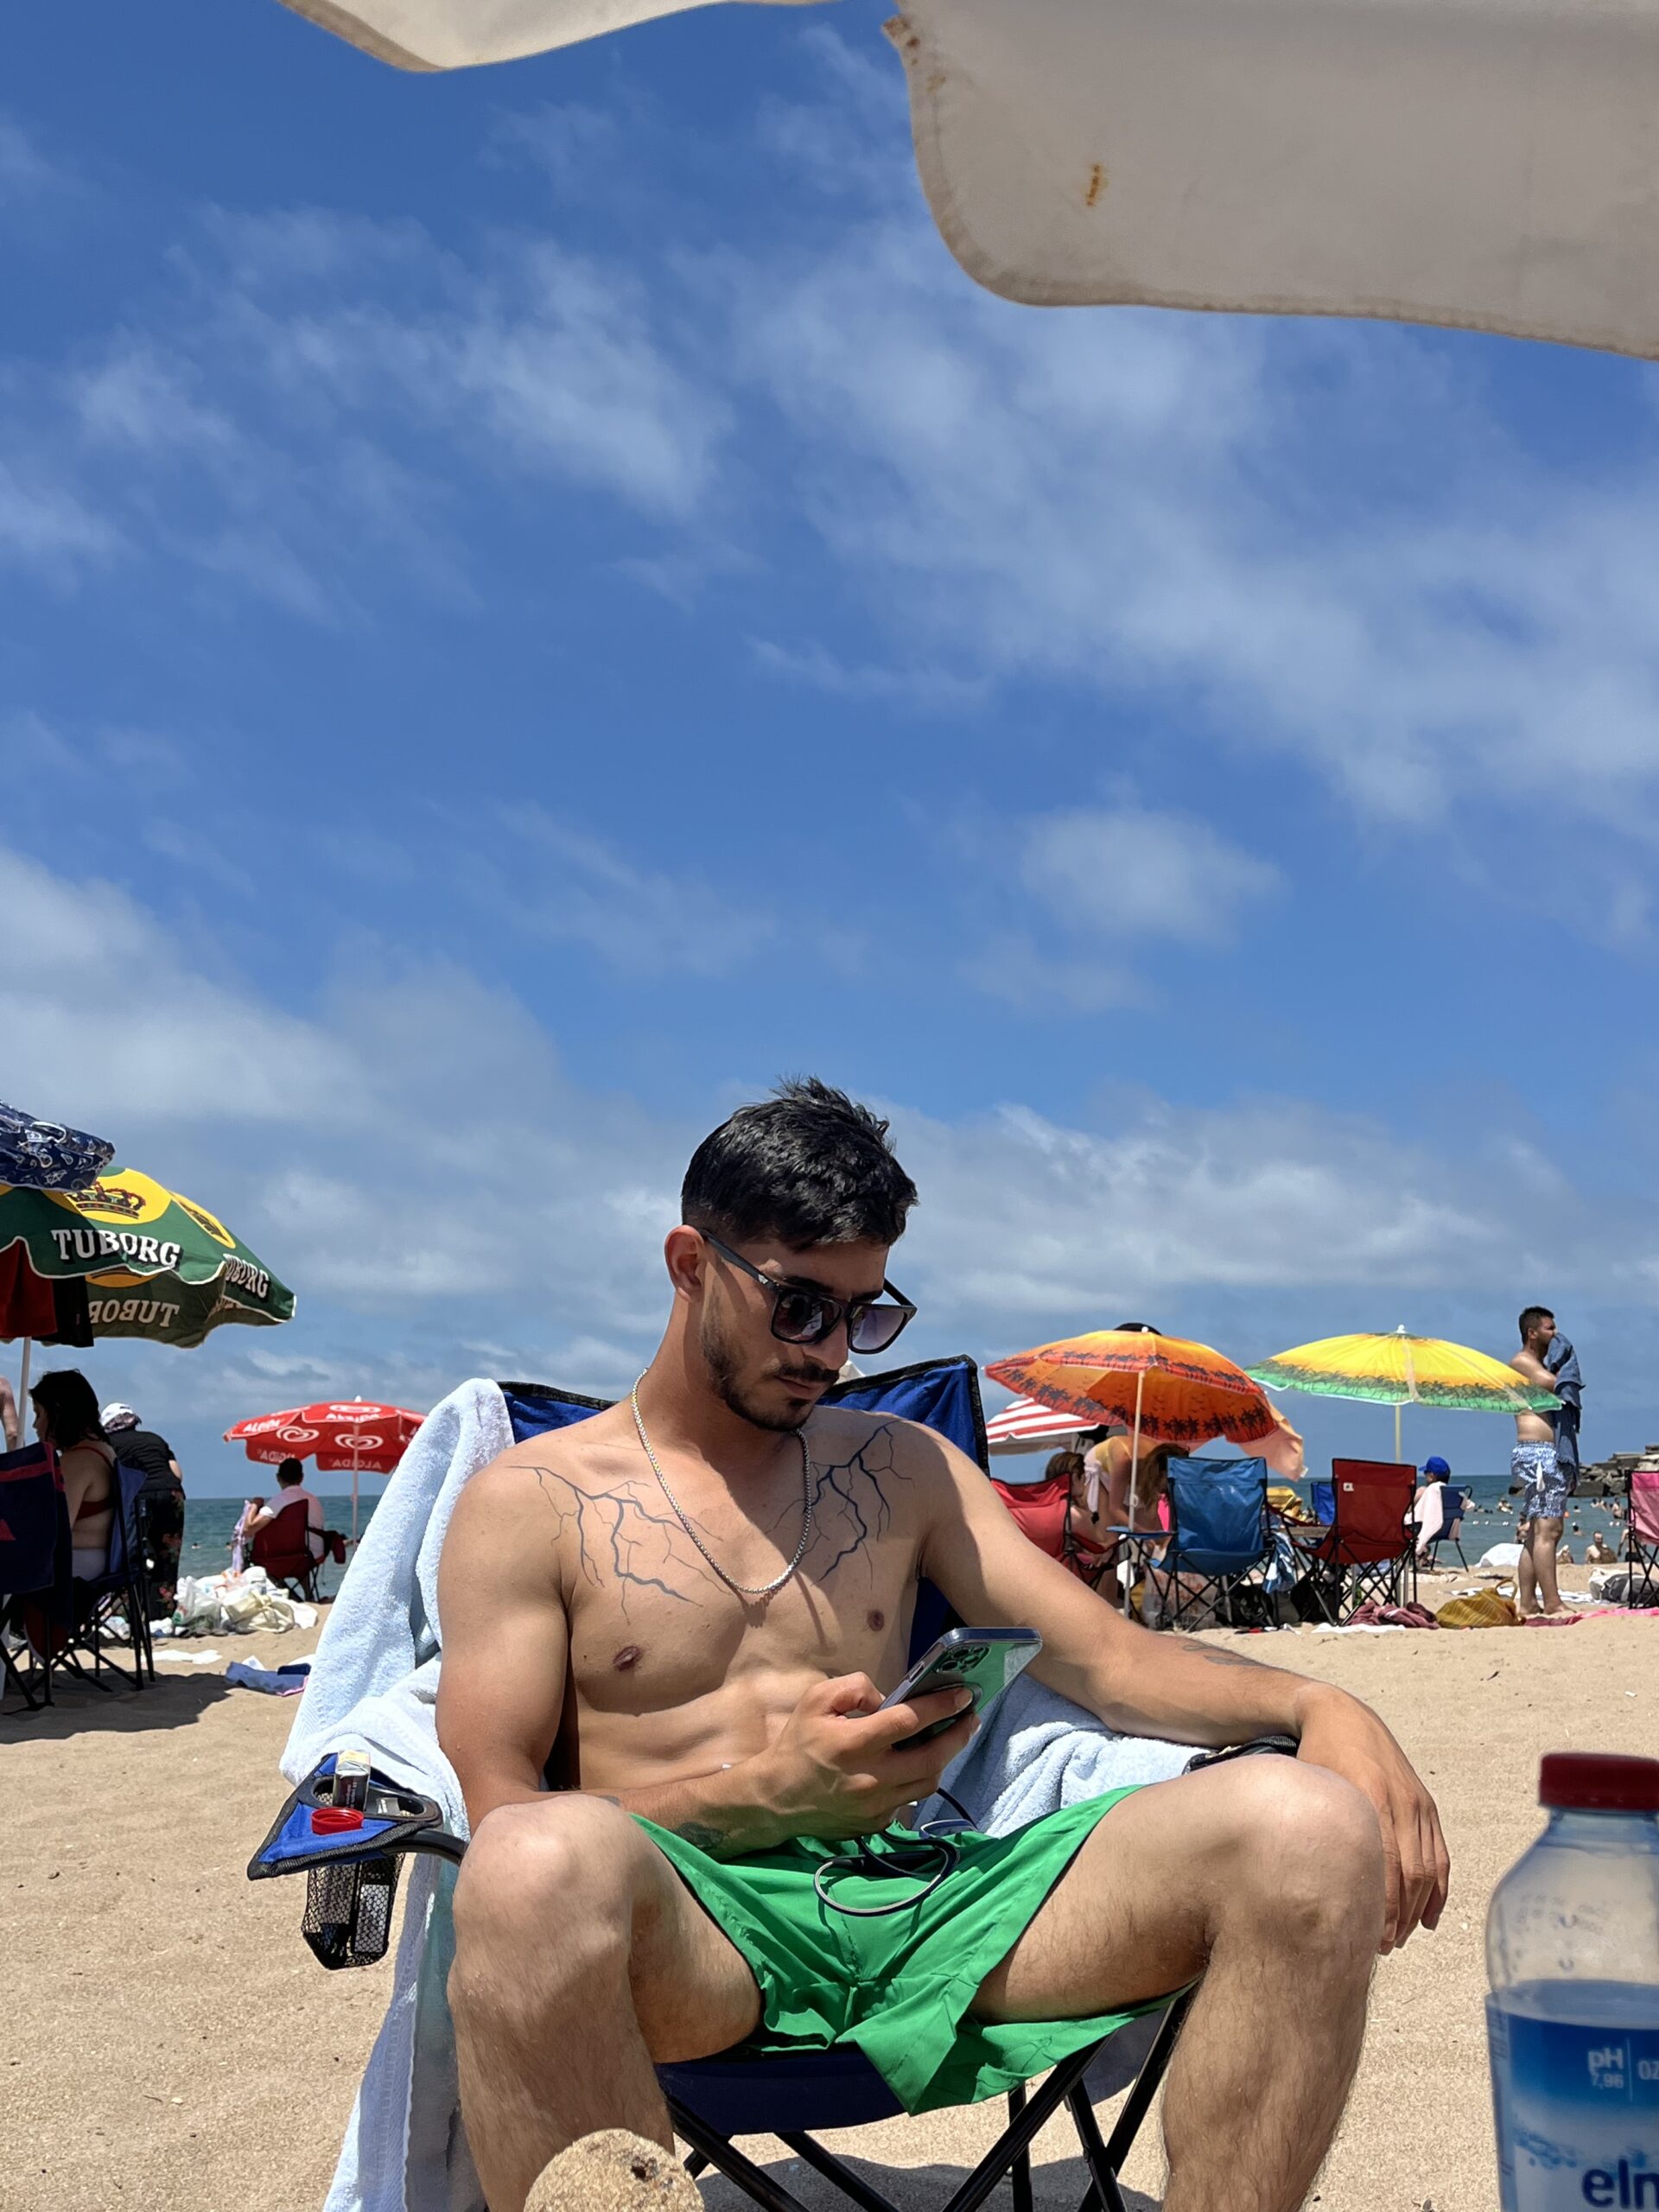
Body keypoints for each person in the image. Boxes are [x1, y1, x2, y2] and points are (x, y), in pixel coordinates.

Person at [437, 1077, 1448, 2212]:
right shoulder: (531, 1501)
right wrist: (761, 1796)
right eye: (798, 1306)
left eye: (864, 1314)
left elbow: (1111, 1662)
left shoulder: (902, 1466)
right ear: (689, 1265)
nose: (830, 1351)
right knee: (527, 1873)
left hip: (923, 1898)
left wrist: (1326, 1707)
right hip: (696, 1932)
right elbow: (501, 1819)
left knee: (1307, 1827)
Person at [1510, 1306, 1568, 1618]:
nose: (1556, 1333)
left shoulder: (1536, 1363)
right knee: (1549, 1528)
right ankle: (1553, 1602)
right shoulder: (1522, 1362)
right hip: (1537, 1452)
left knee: (1537, 1531)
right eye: (1550, 1328)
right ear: (1532, 1333)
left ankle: (1529, 1602)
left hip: (1539, 1452)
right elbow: (1556, 1384)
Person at [101, 1402, 186, 1613]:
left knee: (131, 1554)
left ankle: (131, 1611)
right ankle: (162, 1611)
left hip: (138, 1496)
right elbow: (177, 1474)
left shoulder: (108, 1444)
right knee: (167, 1555)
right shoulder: (155, 1439)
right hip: (171, 1493)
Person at [30, 1369, 115, 1580]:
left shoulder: (78, 1461)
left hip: (73, 1569)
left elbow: (52, 1532)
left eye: (39, 1414)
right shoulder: (104, 1451)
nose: (35, 1425)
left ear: (58, 1413)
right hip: (98, 1565)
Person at [245, 1457, 325, 1563]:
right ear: (302, 1477)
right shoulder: (314, 1500)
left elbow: (248, 1529)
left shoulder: (280, 1501)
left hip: (286, 1557)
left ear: (278, 1478)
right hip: (313, 1556)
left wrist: (254, 1505)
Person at [1411, 1456, 1457, 1565]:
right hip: (1443, 1532)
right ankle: (1423, 1554)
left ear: (1431, 1476)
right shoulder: (1450, 1495)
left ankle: (1418, 1554)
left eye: (1425, 1473)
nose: (1424, 1476)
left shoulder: (1424, 1491)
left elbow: (1407, 1510)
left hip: (1417, 1531)